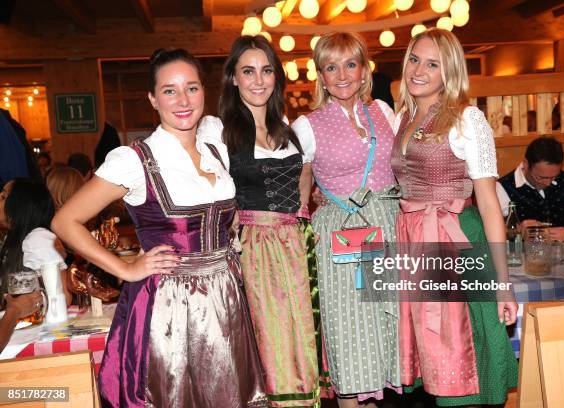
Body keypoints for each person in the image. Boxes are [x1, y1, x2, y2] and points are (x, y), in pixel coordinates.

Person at [52, 48, 267, 408]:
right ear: (153, 98)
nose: (183, 100)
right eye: (169, 90)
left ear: (204, 92)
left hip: (226, 295)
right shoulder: (135, 161)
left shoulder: (214, 141)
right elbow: (64, 221)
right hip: (169, 305)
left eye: (192, 88)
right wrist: (125, 268)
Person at [391, 28, 518, 405]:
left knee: (459, 350)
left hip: (456, 239)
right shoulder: (406, 115)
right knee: (434, 355)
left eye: (433, 64)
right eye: (414, 59)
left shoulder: (467, 119)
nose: (419, 70)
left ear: (450, 72)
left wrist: (503, 283)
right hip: (415, 241)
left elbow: (490, 202)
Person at [198, 35, 319, 407]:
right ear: (233, 77)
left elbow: (304, 188)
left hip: (297, 251)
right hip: (253, 255)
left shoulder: (290, 130)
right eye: (247, 71)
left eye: (266, 71)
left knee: (302, 350)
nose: (258, 80)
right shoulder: (217, 132)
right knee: (268, 350)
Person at [292, 32, 401, 407]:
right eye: (331, 67)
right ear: (320, 76)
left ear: (364, 70)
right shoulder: (307, 125)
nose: (341, 75)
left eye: (350, 64)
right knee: (353, 345)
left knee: (385, 340)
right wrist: (302, 226)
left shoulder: (385, 112)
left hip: (387, 226)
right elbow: (301, 183)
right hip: (344, 230)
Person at [0, 178, 70, 316]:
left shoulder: (38, 239)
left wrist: (32, 305)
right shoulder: (11, 239)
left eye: (2, 197)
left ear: (20, 205)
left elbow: (63, 297)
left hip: (36, 330)